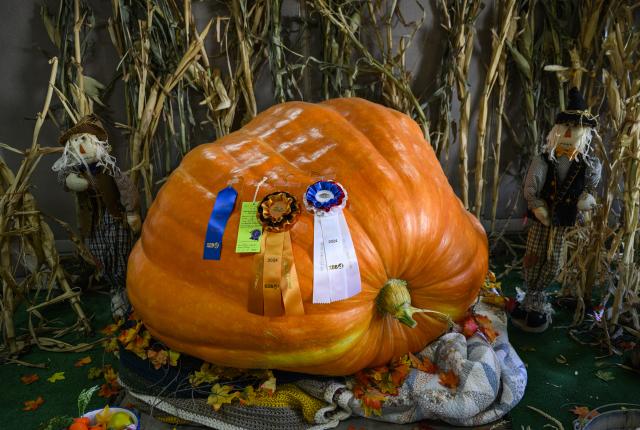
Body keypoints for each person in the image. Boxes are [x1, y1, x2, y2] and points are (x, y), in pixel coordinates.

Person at [512, 87, 602, 333]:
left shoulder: (588, 164)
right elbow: (531, 186)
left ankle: (538, 301)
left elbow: (591, 188)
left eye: (575, 129)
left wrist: (586, 198)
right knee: (533, 255)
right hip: (542, 218)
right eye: (566, 128)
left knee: (553, 260)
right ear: (557, 131)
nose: (570, 133)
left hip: (563, 219)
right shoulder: (543, 160)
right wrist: (536, 205)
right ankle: (529, 296)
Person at [52, 115, 141, 320]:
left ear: (97, 143)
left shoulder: (109, 169)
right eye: (74, 142)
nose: (79, 145)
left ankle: (127, 289)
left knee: (120, 250)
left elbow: (127, 190)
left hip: (113, 218)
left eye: (83, 139)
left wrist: (132, 212)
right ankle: (115, 288)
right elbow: (63, 183)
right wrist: (70, 181)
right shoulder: (74, 171)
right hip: (92, 223)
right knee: (101, 254)